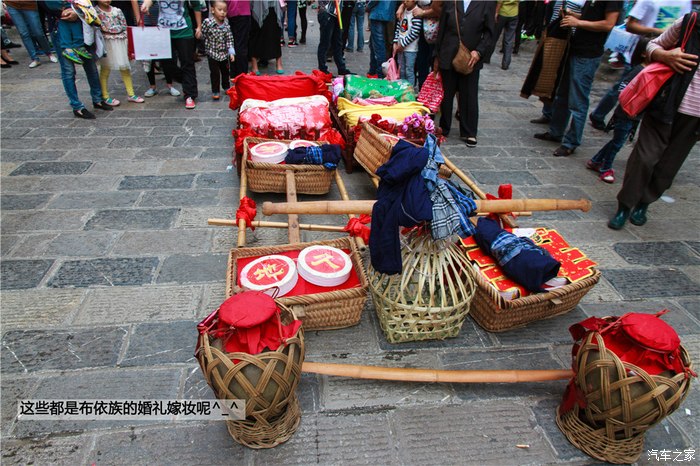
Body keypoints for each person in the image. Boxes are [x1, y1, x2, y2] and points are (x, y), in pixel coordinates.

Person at [609, 13, 700, 230]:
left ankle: (644, 203)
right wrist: (666, 56)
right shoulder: (691, 22)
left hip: (694, 117)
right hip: (666, 103)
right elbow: (652, 46)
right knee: (644, 157)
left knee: (669, 164)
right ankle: (625, 205)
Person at [534, 0, 621, 157]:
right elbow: (592, 17)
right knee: (562, 94)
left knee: (577, 100)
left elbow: (609, 24)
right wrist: (575, 16)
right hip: (574, 47)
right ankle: (556, 132)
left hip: (588, 54)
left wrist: (578, 22)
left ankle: (571, 142)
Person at [589, 0, 691, 130]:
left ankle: (624, 122)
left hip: (663, 56)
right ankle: (604, 117)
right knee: (624, 87)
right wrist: (661, 32)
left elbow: (686, 29)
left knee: (647, 91)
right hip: (639, 52)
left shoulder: (685, 2)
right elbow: (630, 25)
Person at [586, 37, 649, 184]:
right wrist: (631, 105)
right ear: (644, 53)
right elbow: (623, 89)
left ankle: (596, 160)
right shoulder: (638, 70)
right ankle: (605, 168)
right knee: (618, 143)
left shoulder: (648, 70)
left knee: (617, 141)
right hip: (627, 113)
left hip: (634, 114)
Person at [435, 0, 496, 147]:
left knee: (469, 94)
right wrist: (436, 56)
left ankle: (469, 132)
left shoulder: (486, 3)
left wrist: (479, 51)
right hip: (448, 53)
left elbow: (489, 33)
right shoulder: (451, 2)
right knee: (447, 94)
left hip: (470, 57)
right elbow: (442, 29)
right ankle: (444, 127)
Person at [45, 0, 113, 119]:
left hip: (83, 28)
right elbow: (43, 5)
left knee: (91, 65)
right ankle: (77, 106)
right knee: (68, 70)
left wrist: (77, 11)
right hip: (59, 29)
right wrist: (64, 12)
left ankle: (97, 99)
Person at [141, 0, 202, 109]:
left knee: (187, 62)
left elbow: (196, 5)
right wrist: (146, 5)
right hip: (163, 31)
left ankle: (189, 95)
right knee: (166, 63)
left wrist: (199, 27)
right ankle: (187, 80)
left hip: (184, 31)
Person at [95, 0, 144, 105]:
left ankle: (131, 94)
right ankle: (105, 95)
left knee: (125, 67)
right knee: (105, 68)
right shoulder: (95, 12)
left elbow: (124, 26)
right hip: (106, 42)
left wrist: (128, 44)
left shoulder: (117, 10)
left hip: (120, 40)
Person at [4, 0, 58, 68]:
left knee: (38, 32)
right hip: (12, 4)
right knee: (23, 33)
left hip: (30, 4)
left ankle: (48, 53)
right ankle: (34, 58)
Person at [202, 0, 234, 100]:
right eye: (219, 10)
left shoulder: (226, 25)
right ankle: (215, 90)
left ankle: (226, 86)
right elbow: (204, 33)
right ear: (212, 10)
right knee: (215, 73)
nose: (222, 12)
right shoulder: (208, 22)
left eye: (225, 10)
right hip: (212, 53)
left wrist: (231, 53)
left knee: (225, 71)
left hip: (224, 54)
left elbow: (229, 39)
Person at [316, 0, 352, 75]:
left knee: (338, 42)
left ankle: (341, 68)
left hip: (337, 14)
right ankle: (322, 69)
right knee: (325, 43)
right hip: (327, 13)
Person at [250, 0, 284, 75]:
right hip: (257, 4)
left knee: (275, 32)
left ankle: (279, 62)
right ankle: (254, 64)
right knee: (256, 34)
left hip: (273, 5)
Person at [393, 0, 421, 85]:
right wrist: (396, 42)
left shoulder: (416, 12)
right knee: (401, 70)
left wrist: (403, 44)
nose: (405, 2)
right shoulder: (403, 10)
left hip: (410, 49)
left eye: (407, 0)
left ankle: (410, 90)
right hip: (400, 46)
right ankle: (402, 88)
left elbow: (415, 32)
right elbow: (398, 27)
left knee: (409, 70)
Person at [366, 0, 395, 78]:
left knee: (379, 45)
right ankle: (373, 71)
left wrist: (368, 6)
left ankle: (380, 73)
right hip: (387, 12)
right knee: (375, 44)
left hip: (378, 12)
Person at [226, 0, 251, 80]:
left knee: (232, 42)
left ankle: (234, 73)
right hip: (241, 11)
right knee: (240, 45)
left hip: (231, 10)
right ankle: (241, 74)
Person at [493, 0, 518, 71]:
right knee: (509, 39)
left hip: (502, 13)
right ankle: (506, 63)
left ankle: (486, 57)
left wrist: (496, 12)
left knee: (494, 36)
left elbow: (500, 2)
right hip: (514, 13)